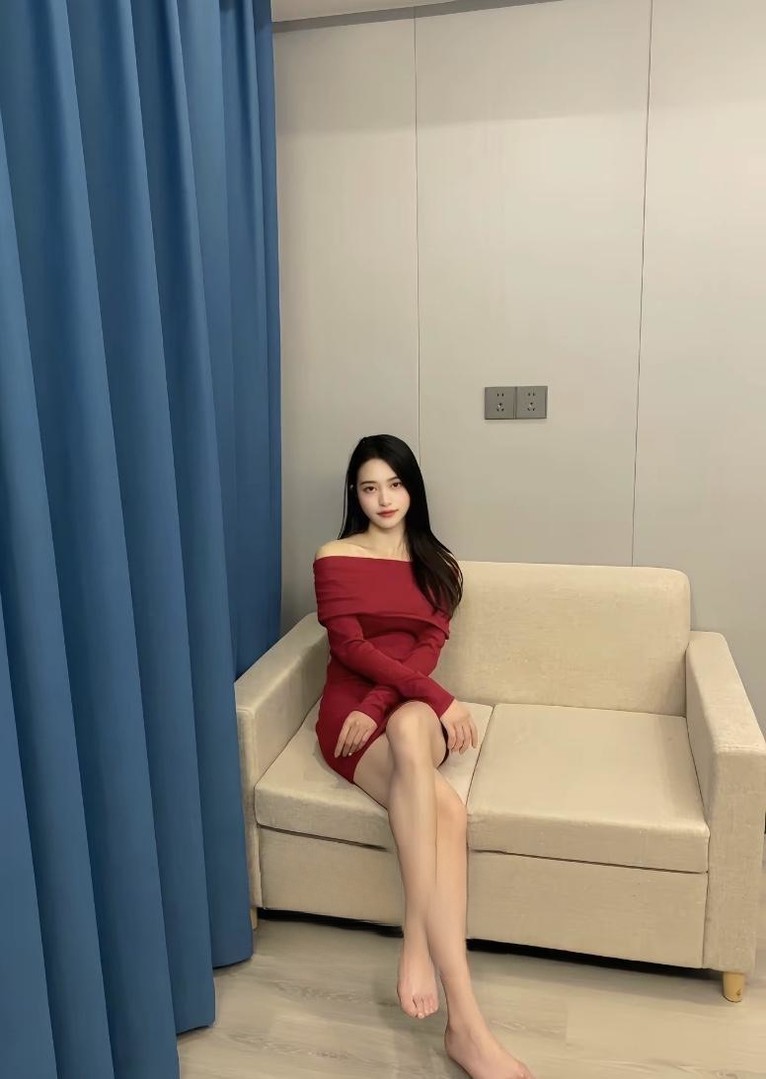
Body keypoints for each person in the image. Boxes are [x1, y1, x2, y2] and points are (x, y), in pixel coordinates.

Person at [313, 434, 535, 1079]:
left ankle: (414, 938)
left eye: (395, 484)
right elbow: (351, 648)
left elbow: (425, 652)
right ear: (354, 495)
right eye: (369, 487)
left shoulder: (440, 565)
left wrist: (395, 702)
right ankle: (467, 1029)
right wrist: (405, 704)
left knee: (412, 726)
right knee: (449, 813)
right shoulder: (334, 556)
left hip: (403, 705)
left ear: (413, 489)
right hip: (349, 719)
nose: (384, 499)